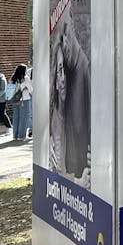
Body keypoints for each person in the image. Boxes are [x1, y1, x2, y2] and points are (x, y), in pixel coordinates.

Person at [49, 12, 91, 187]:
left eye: (63, 70)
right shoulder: (56, 118)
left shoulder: (82, 71)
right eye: (59, 71)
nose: (62, 78)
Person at [9, 64, 31, 140]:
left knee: (16, 117)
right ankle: (21, 136)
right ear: (24, 70)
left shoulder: (13, 78)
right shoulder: (25, 78)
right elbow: (31, 90)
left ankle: (15, 135)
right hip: (24, 100)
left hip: (15, 100)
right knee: (23, 117)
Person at [0, 69, 10, 136]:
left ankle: (8, 128)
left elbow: (3, 91)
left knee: (3, 114)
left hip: (2, 100)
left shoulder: (2, 79)